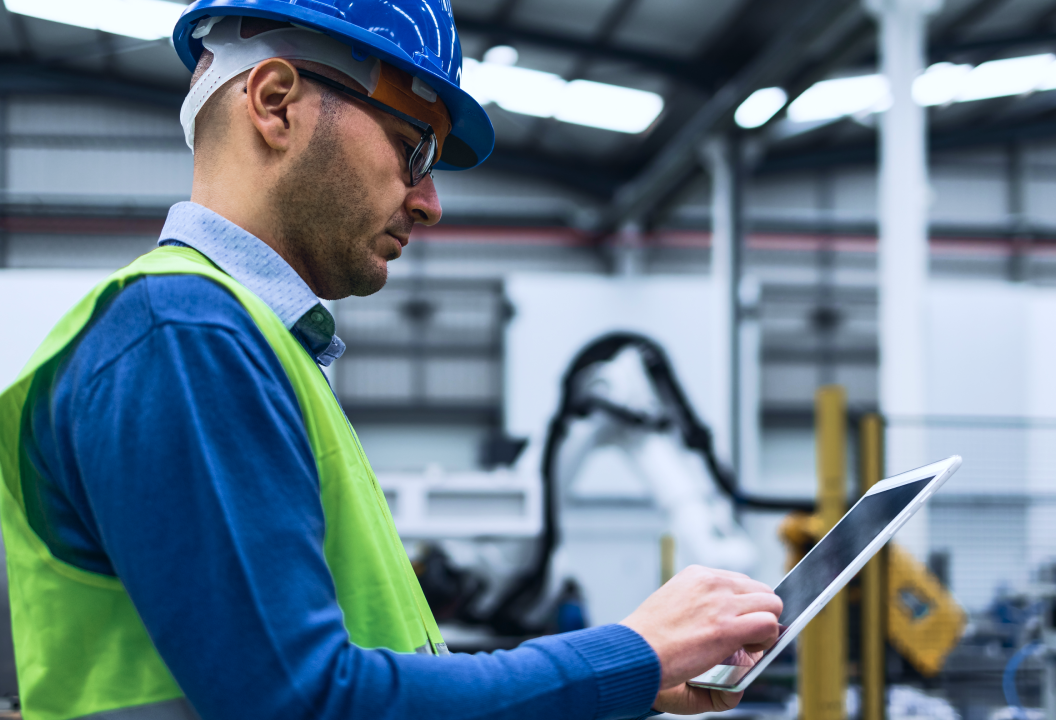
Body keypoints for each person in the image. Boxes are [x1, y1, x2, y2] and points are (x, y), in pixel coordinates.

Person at [0, 2, 782, 720]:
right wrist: (630, 655)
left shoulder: (246, 342)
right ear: (275, 104)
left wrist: (624, 681)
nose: (429, 200)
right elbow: (306, 703)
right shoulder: (183, 334)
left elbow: (357, 672)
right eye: (414, 149)